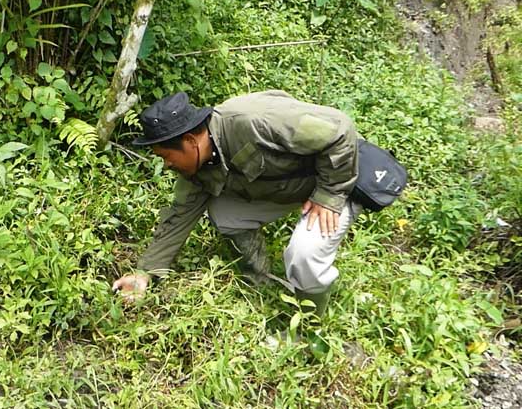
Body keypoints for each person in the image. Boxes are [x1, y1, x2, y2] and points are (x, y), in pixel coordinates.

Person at [112, 90, 362, 317]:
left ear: (189, 141)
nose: (166, 165)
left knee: (303, 254)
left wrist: (329, 195)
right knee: (224, 213)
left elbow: (339, 129)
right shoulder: (197, 167)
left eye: (166, 156)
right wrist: (144, 272)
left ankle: (311, 324)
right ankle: (262, 278)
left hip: (340, 177)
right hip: (291, 189)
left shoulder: (252, 122)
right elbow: (178, 216)